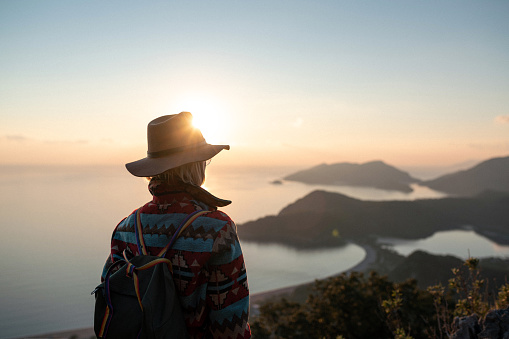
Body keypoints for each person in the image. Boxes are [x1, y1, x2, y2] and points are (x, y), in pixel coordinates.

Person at [101, 112, 251, 338]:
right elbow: (231, 324)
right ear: (196, 165)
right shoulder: (216, 229)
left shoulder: (125, 229)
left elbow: (111, 300)